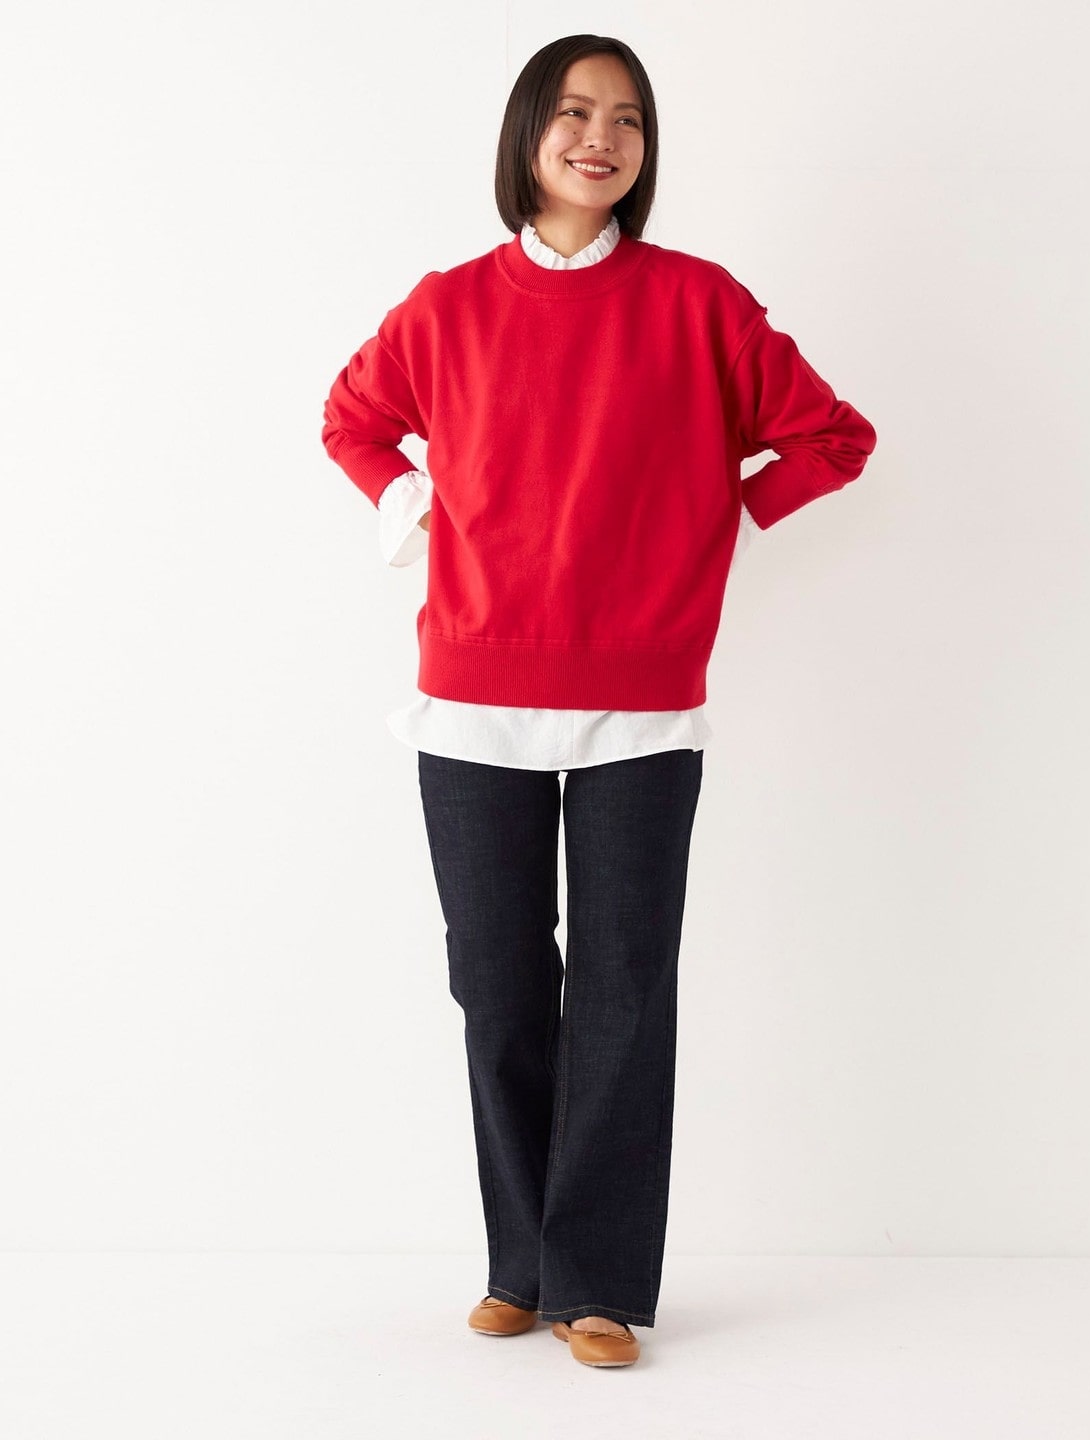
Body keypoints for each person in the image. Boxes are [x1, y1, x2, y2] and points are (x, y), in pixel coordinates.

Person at [321, 33, 877, 1368]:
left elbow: (832, 437)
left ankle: (601, 1286)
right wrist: (411, 506)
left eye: (627, 119)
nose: (601, 139)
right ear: (528, 134)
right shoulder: (446, 306)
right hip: (471, 696)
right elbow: (353, 419)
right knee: (498, 988)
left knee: (624, 995)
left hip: (642, 704)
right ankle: (520, 1264)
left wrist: (716, 516)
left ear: (645, 148)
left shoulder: (700, 303)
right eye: (575, 113)